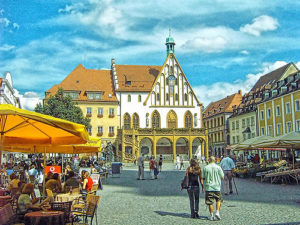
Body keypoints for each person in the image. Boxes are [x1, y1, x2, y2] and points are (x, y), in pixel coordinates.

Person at [202, 156, 224, 221]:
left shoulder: (205, 168)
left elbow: (203, 177)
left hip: (209, 187)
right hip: (217, 187)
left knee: (210, 202)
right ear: (215, 160)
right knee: (219, 200)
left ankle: (211, 216)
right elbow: (222, 177)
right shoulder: (218, 167)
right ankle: (217, 212)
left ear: (209, 160)